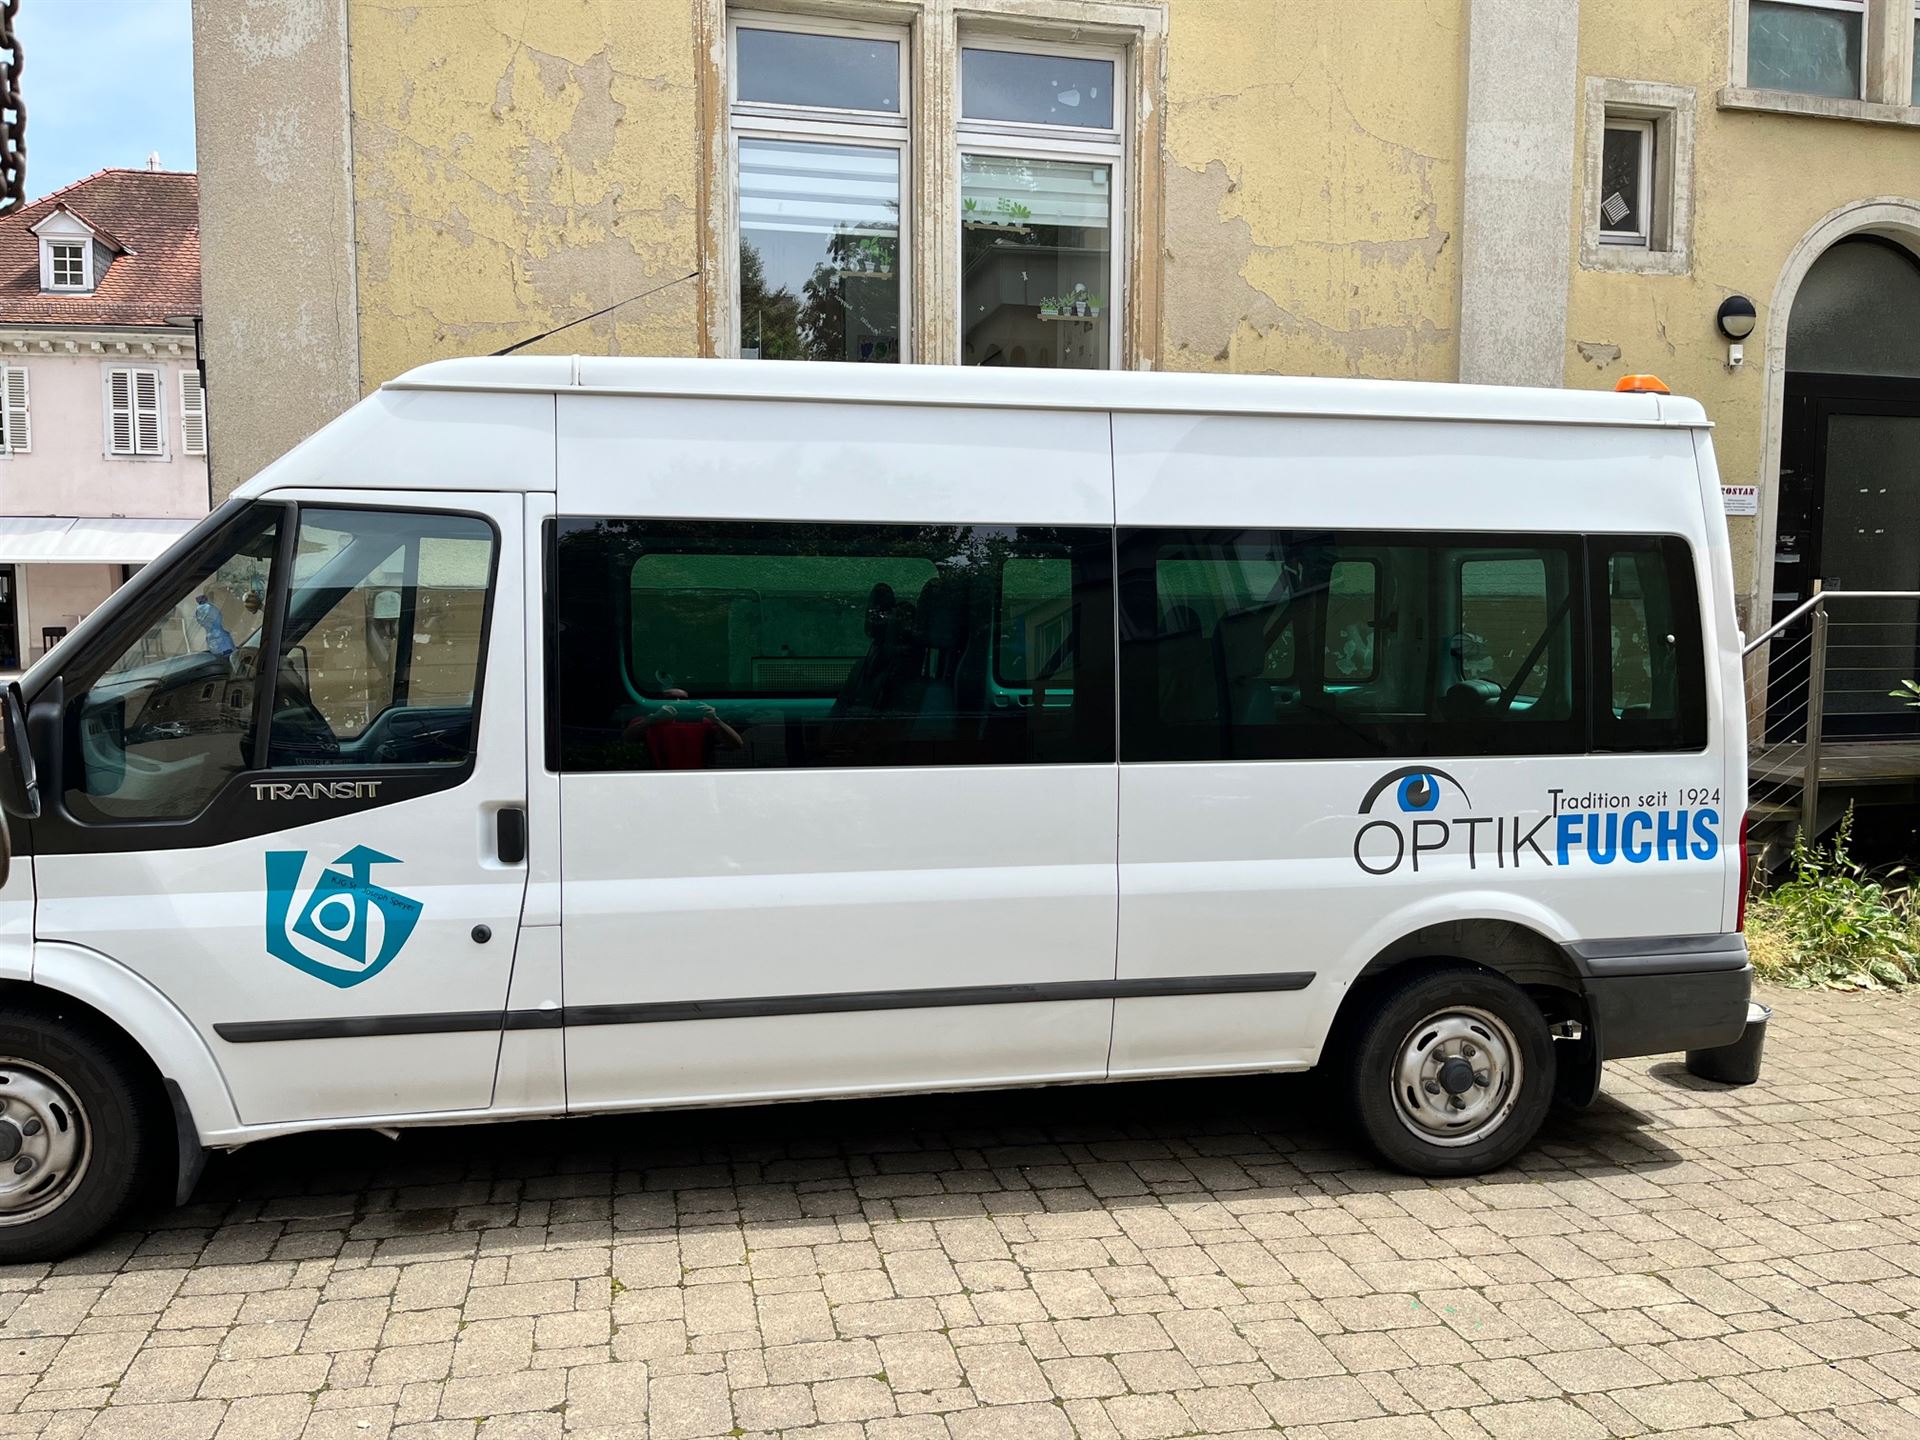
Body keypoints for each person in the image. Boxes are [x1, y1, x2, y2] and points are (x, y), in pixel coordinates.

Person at [622, 688, 745, 770]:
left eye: (683, 699)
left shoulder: (703, 722)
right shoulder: (648, 720)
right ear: (660, 701)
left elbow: (737, 744)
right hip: (658, 778)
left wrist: (716, 720)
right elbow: (627, 738)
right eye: (671, 699)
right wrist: (653, 719)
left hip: (698, 778)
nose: (678, 701)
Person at [194, 595, 236, 660]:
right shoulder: (210, 607)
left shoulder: (199, 611)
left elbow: (203, 622)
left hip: (213, 639)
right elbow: (218, 618)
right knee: (229, 656)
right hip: (220, 637)